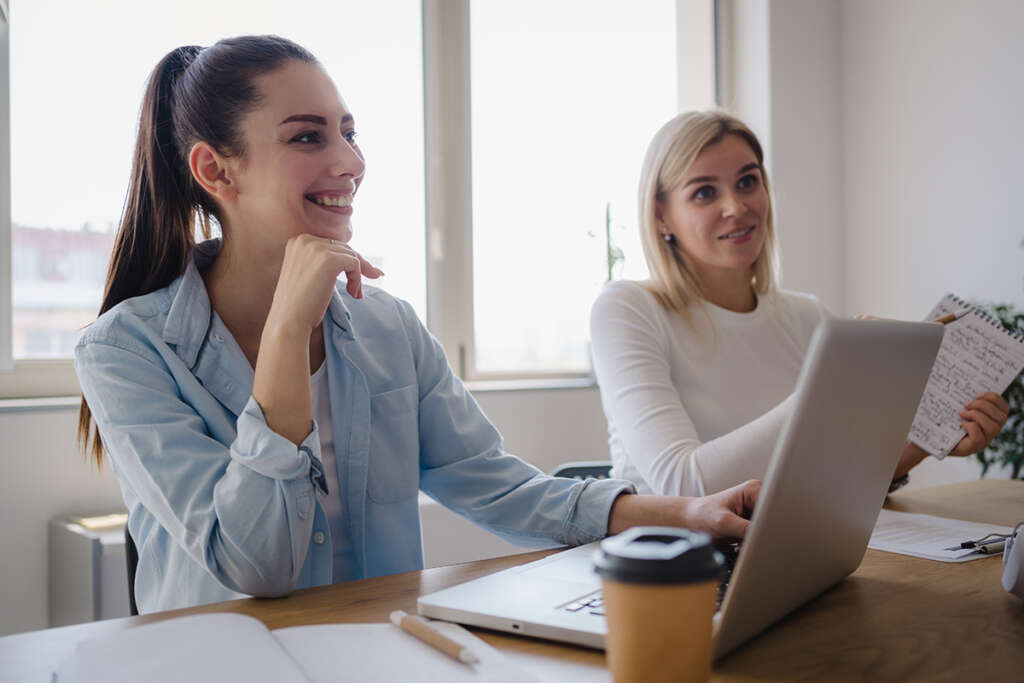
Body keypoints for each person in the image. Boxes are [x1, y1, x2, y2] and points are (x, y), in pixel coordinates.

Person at [74, 37, 760, 614]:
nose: (350, 163)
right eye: (308, 136)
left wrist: (687, 513)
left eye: (348, 133)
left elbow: (502, 487)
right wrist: (286, 334)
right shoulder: (124, 351)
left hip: (384, 654)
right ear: (215, 170)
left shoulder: (388, 328)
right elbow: (257, 566)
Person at [589, 110, 1009, 498]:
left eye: (747, 182)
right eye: (704, 192)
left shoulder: (806, 316)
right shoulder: (628, 308)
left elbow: (833, 480)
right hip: (665, 551)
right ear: (661, 216)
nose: (736, 207)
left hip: (776, 543)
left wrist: (926, 442)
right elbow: (684, 486)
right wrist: (831, 381)